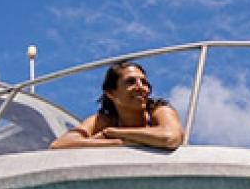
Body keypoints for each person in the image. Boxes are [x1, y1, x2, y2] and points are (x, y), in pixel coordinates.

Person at [49, 60, 184, 152]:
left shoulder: (159, 111)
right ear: (111, 93)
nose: (141, 87)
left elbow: (170, 137)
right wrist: (118, 143)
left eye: (144, 82)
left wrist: (112, 133)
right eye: (131, 82)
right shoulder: (102, 120)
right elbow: (60, 145)